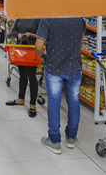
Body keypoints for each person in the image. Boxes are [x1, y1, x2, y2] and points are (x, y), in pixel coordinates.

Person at [35, 17, 85, 154]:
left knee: (54, 103)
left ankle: (54, 141)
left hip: (54, 68)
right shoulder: (79, 19)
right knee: (74, 102)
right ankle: (71, 138)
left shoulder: (48, 20)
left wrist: (42, 56)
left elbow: (39, 46)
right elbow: (81, 42)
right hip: (74, 66)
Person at [5, 19, 41, 118]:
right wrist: (18, 35)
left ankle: (33, 105)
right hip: (20, 48)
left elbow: (42, 35)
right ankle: (20, 98)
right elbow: (14, 30)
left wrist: (30, 35)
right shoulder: (20, 16)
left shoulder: (38, 18)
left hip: (32, 50)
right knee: (22, 74)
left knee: (31, 76)